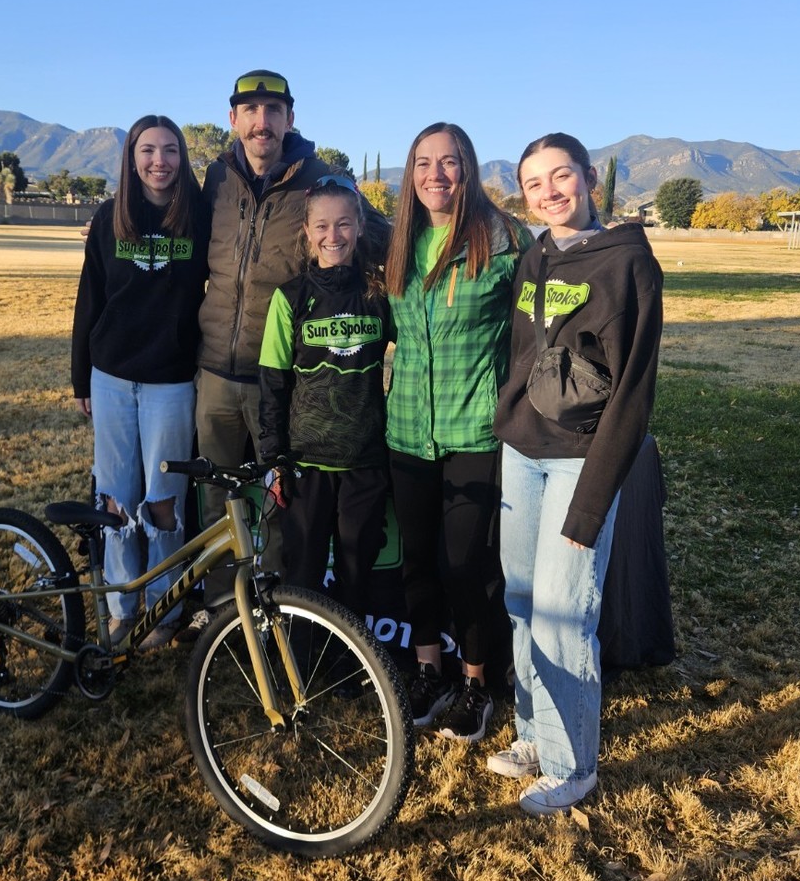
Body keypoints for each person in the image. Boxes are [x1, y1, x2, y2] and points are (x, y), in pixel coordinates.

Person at [489, 133, 663, 815]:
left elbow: (633, 395)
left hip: (578, 463)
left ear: (590, 178)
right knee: (524, 604)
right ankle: (535, 735)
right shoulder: (537, 254)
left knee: (566, 616)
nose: (550, 191)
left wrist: (591, 503)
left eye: (561, 176)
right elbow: (526, 346)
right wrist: (510, 412)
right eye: (535, 183)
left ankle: (573, 767)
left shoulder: (629, 265)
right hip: (523, 454)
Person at [183, 70, 390, 641]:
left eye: (273, 110)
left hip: (282, 374)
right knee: (219, 496)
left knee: (278, 504)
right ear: (233, 120)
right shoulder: (216, 179)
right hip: (214, 371)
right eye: (249, 110)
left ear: (289, 118)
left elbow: (381, 237)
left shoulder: (320, 180)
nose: (261, 121)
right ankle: (226, 610)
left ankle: (280, 614)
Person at [385, 122, 531, 742]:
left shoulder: (503, 241)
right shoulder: (399, 243)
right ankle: (429, 673)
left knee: (464, 566)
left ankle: (475, 681)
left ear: (467, 170)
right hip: (406, 432)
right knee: (417, 561)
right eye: (423, 163)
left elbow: (539, 328)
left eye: (448, 163)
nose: (434, 175)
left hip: (474, 431)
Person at [71, 114, 209, 649]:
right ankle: (121, 606)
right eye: (148, 150)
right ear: (131, 158)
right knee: (116, 497)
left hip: (170, 382)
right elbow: (90, 301)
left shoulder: (198, 216)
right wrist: (80, 374)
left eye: (170, 150)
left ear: (182, 157)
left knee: (163, 499)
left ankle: (163, 608)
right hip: (111, 378)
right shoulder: (109, 218)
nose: (159, 161)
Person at [258, 175, 392, 619]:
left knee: (357, 573)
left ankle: (354, 671)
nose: (332, 236)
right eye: (321, 226)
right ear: (307, 232)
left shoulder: (378, 295)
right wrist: (275, 459)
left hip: (364, 463)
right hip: (306, 467)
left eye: (343, 225)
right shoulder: (289, 298)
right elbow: (273, 385)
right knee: (304, 575)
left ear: (358, 227)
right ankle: (301, 660)